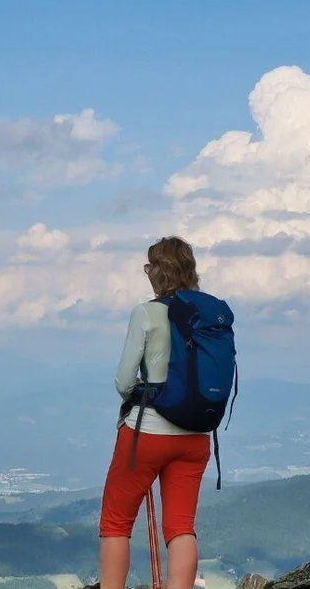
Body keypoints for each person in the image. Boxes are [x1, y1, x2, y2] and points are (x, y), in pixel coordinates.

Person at [94, 235, 214, 589]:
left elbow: (122, 380)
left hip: (146, 433)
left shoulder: (146, 312)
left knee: (115, 523)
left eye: (149, 266)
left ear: (158, 273)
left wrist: (144, 394)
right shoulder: (208, 313)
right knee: (180, 526)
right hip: (196, 435)